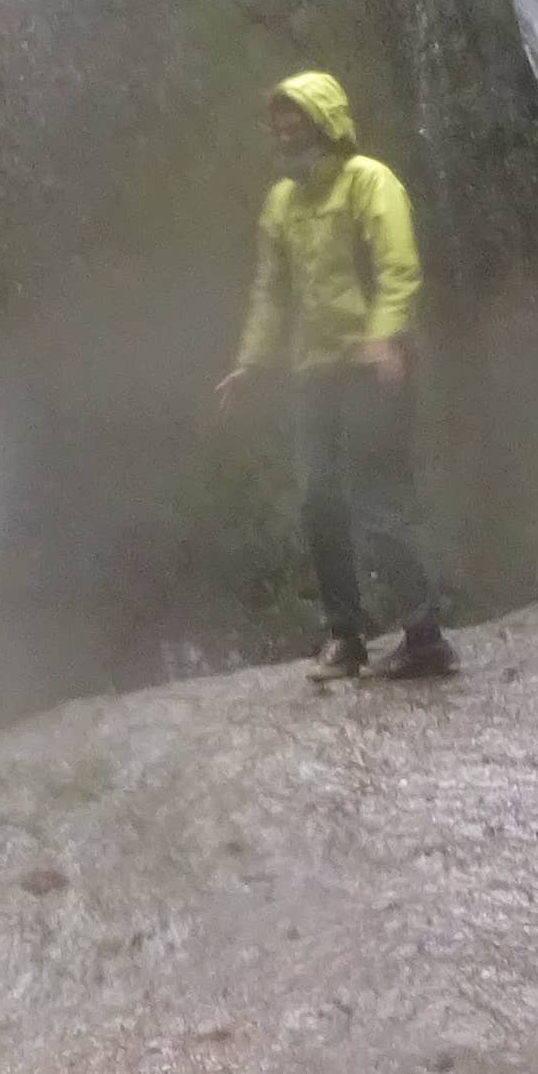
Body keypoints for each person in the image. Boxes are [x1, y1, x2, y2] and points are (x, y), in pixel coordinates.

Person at [213, 70, 444, 681]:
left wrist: (386, 336)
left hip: (374, 363)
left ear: (328, 123)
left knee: (380, 499)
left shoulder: (371, 183)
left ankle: (424, 636)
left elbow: (399, 267)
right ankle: (346, 636)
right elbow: (270, 293)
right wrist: (250, 363)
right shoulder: (281, 203)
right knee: (318, 501)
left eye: (298, 122)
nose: (287, 134)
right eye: (281, 126)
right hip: (314, 371)